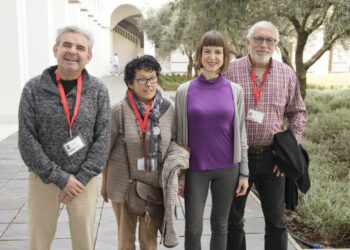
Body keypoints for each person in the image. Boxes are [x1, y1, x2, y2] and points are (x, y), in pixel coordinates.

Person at [18, 25, 111, 250]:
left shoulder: (98, 90)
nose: (72, 51)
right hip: (44, 178)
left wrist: (81, 176)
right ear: (55, 49)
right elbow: (27, 139)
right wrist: (59, 177)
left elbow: (104, 136)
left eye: (80, 47)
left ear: (88, 56)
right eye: (67, 45)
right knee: (38, 241)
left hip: (82, 182)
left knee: (84, 241)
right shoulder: (33, 88)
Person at [223, 21, 308, 250]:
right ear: (247, 42)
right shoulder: (230, 70)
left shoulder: (286, 73)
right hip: (237, 157)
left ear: (275, 45)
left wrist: (288, 151)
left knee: (277, 222)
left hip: (272, 159)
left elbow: (298, 113)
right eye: (258, 39)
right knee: (233, 220)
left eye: (269, 40)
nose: (263, 45)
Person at [101, 55, 188, 249]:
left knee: (149, 242)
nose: (149, 84)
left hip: (154, 187)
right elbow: (104, 151)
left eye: (153, 78)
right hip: (124, 186)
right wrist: (104, 184)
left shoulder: (168, 110)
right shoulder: (119, 111)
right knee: (126, 242)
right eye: (142, 79)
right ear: (130, 83)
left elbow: (175, 143)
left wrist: (178, 176)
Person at [175, 31, 249, 250]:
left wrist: (244, 172)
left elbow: (241, 133)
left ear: (225, 56)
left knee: (220, 226)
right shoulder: (184, 91)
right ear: (200, 55)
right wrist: (180, 174)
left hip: (228, 169)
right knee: (193, 229)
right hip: (195, 169)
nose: (212, 57)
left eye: (218, 52)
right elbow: (179, 136)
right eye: (207, 51)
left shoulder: (235, 91)